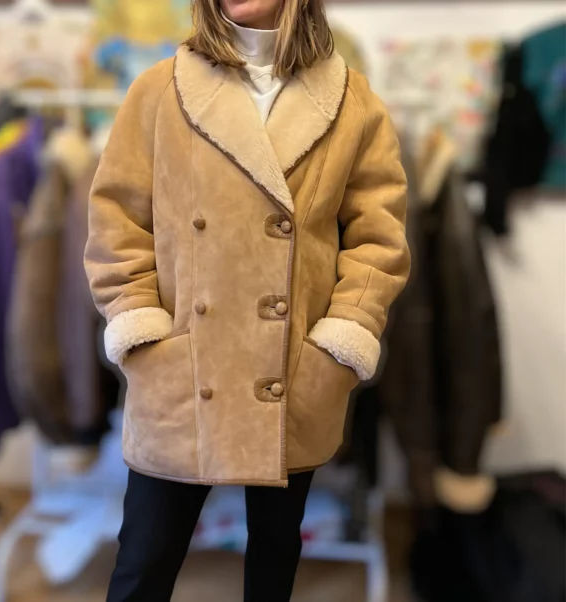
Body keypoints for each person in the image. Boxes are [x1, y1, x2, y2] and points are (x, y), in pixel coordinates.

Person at [84, 0, 410, 598]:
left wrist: (340, 339)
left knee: (274, 565)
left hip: (292, 369)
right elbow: (117, 224)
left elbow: (378, 240)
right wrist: (140, 326)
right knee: (143, 564)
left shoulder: (352, 102)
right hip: (184, 371)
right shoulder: (159, 91)